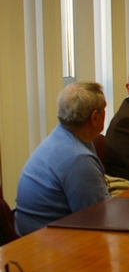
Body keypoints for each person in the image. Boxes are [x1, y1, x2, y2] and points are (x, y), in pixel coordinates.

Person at [15, 82, 109, 235]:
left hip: (36, 236)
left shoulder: (63, 137)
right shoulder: (78, 159)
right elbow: (97, 222)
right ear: (95, 117)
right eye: (103, 109)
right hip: (47, 245)